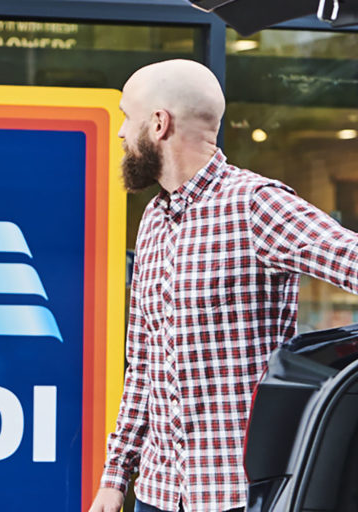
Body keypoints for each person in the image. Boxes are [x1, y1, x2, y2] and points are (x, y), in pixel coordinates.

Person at [88, 59, 358, 512]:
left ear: (158, 123)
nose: (120, 132)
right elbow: (143, 363)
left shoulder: (256, 205)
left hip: (236, 495)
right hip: (157, 493)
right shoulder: (155, 219)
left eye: (125, 115)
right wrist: (115, 477)